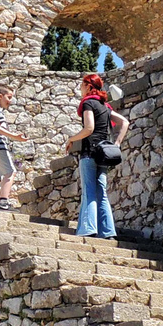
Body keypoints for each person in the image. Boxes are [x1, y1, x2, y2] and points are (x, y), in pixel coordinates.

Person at [65, 72, 128, 239]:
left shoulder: (88, 103)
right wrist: (117, 143)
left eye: (81, 85)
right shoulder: (105, 106)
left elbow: (89, 128)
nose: (80, 88)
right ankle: (108, 232)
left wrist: (71, 139)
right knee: (102, 192)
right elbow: (125, 122)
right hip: (104, 153)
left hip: (90, 152)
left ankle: (88, 229)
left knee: (89, 191)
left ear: (88, 86)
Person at [0, 85, 28, 210]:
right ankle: (3, 202)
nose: (10, 101)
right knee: (10, 172)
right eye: (9, 97)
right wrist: (14, 136)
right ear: (0, 96)